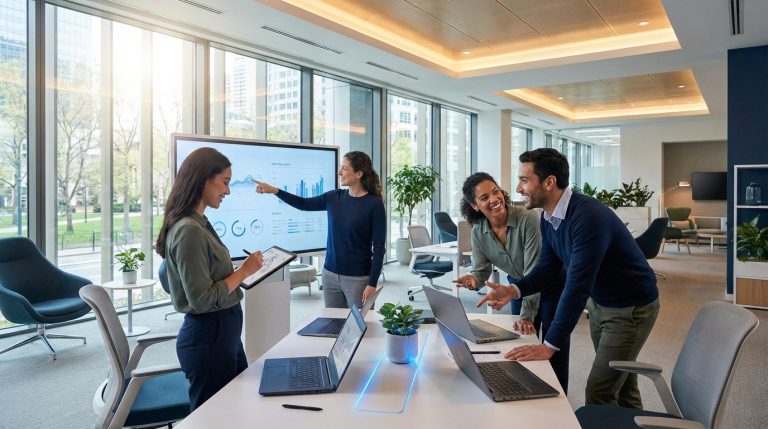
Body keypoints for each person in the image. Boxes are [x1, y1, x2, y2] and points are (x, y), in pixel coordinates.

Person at [478, 148, 659, 408]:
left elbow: (576, 286)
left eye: (524, 180)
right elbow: (548, 269)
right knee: (622, 382)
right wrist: (514, 290)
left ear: (549, 182)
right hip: (601, 303)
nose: (517, 188)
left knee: (600, 391)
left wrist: (550, 345)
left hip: (630, 308)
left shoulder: (587, 218)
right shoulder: (549, 217)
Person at [155, 147, 264, 411]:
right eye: (225, 183)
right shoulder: (189, 230)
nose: (227, 191)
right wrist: (244, 272)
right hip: (209, 337)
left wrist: (238, 270)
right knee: (213, 418)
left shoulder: (199, 223)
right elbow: (202, 299)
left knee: (235, 410)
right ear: (204, 178)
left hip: (223, 334)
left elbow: (208, 274)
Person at [453, 172, 569, 391]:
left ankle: (559, 401)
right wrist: (473, 280)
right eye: (484, 198)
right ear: (475, 205)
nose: (494, 200)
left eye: (495, 191)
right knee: (521, 343)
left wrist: (527, 315)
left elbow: (534, 271)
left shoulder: (528, 218)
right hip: (517, 288)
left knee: (553, 348)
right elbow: (481, 270)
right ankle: (528, 391)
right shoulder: (479, 231)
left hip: (552, 286)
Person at [254, 151, 385, 309]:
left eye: (344, 168)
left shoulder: (374, 204)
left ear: (358, 173)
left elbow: (379, 248)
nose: (339, 172)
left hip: (358, 279)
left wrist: (372, 283)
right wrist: (275, 191)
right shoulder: (334, 198)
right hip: (329, 275)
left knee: (361, 329)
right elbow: (303, 204)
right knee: (333, 325)